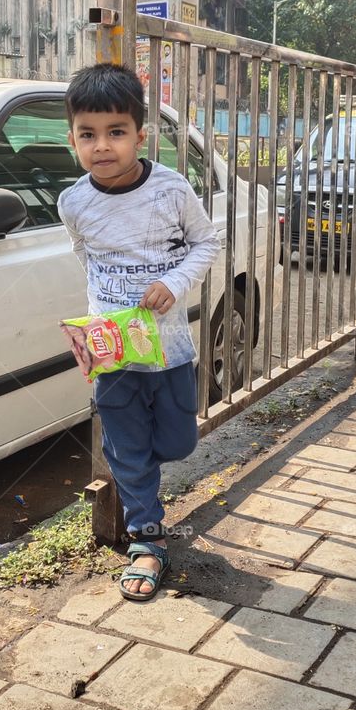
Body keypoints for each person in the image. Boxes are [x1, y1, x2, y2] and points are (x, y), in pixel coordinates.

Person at [58, 62, 221, 601]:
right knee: (127, 448)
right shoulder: (73, 202)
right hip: (113, 353)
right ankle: (146, 539)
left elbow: (206, 243)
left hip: (170, 349)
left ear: (140, 135)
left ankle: (137, 467)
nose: (102, 146)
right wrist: (97, 319)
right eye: (88, 134)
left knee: (176, 442)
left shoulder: (171, 189)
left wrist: (173, 283)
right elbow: (86, 257)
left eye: (116, 132)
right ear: (73, 139)